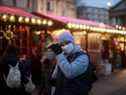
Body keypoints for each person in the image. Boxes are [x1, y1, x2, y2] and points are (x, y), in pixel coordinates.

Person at [48, 30, 93, 95]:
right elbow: (57, 73)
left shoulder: (83, 57)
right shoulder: (64, 55)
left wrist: (59, 54)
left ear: (72, 42)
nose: (64, 46)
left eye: (66, 43)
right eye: (61, 44)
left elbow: (70, 73)